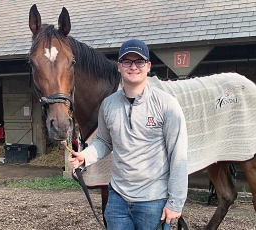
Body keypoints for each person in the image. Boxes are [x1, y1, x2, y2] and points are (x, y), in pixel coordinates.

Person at [68, 39, 188, 230]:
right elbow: (104, 142)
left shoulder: (167, 105)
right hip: (118, 201)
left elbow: (178, 155)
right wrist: (85, 157)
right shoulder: (108, 105)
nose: (133, 67)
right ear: (119, 66)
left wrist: (175, 202)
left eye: (139, 62)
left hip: (153, 202)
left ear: (148, 66)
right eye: (127, 62)